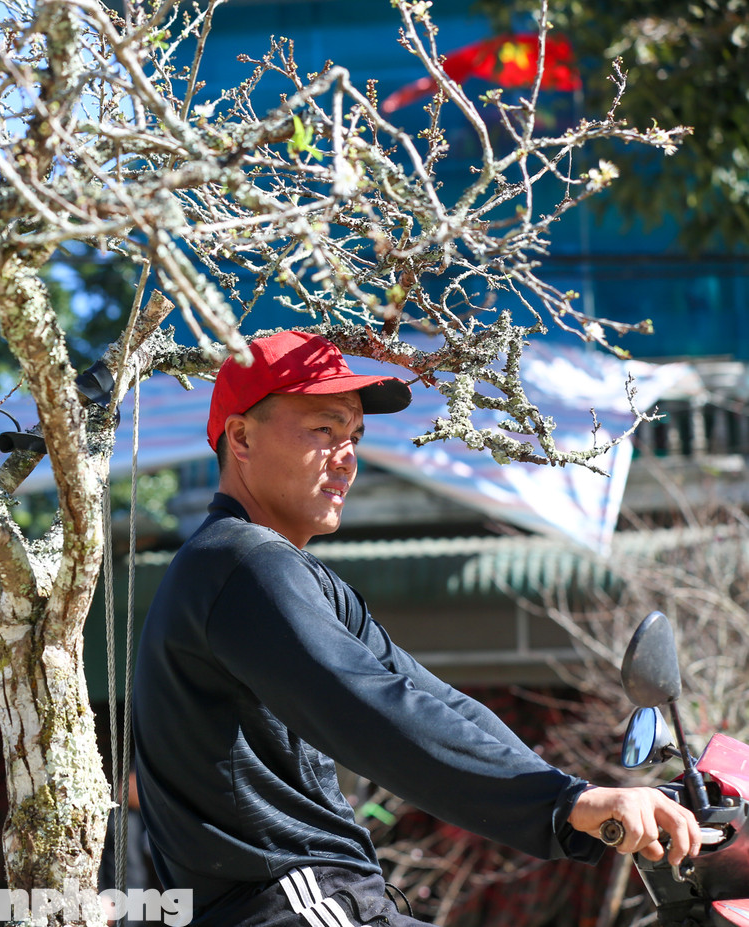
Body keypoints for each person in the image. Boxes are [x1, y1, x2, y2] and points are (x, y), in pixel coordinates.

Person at [130, 331, 700, 927]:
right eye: (324, 430)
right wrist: (564, 803)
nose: (347, 455)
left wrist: (569, 795)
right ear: (241, 438)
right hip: (288, 903)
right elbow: (373, 710)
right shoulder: (242, 564)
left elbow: (427, 696)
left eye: (353, 437)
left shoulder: (272, 569)